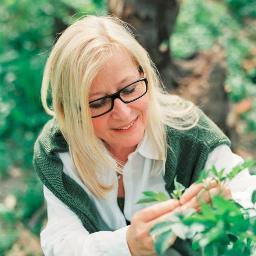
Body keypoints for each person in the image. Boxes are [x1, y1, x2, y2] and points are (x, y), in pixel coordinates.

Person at [33, 15, 255, 256]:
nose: (123, 112)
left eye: (129, 89)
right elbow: (61, 242)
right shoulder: (57, 150)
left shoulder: (190, 132)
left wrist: (227, 204)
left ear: (145, 74)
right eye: (97, 103)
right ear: (70, 111)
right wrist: (126, 245)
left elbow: (249, 203)